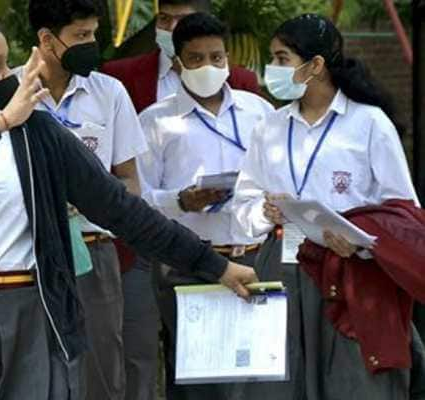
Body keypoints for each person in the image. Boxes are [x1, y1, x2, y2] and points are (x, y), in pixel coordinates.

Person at [0, 12, 258, 400]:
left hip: (28, 306)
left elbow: (122, 209)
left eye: (6, 61)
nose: (9, 76)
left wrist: (214, 265)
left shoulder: (38, 132)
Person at [232, 14, 423, 400]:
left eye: (282, 58)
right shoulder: (270, 126)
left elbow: (405, 212)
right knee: (277, 383)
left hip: (351, 271)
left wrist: (362, 243)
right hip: (282, 264)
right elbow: (243, 202)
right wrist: (262, 213)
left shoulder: (368, 123)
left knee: (351, 381)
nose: (273, 69)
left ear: (315, 65)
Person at [136, 13, 274, 400]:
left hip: (255, 258)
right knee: (198, 379)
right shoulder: (155, 121)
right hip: (189, 265)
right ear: (177, 63)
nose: (209, 67)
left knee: (257, 374)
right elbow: (139, 201)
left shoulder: (258, 113)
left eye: (217, 57)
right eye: (196, 59)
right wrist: (180, 200)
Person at [20, 1, 148, 399]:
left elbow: (130, 183)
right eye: (81, 36)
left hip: (93, 254)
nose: (91, 44)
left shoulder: (108, 92)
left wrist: (92, 199)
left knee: (100, 371)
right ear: (46, 39)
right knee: (31, 367)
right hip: (26, 255)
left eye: (93, 34)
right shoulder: (11, 93)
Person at [101, 0, 261, 114]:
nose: (172, 28)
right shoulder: (120, 75)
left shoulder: (242, 82)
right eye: (164, 19)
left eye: (183, 20)